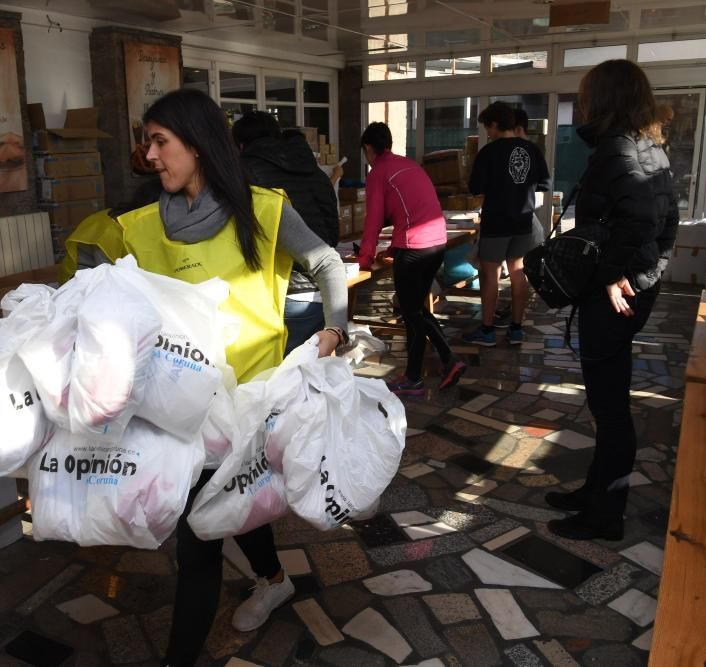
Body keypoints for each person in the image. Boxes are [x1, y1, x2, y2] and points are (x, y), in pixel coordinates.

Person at [68, 88, 348, 666]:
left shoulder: (263, 209)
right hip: (179, 406)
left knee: (202, 533)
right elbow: (94, 275)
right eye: (148, 141)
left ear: (197, 143)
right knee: (227, 504)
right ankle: (273, 577)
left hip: (248, 404)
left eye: (159, 141)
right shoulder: (140, 221)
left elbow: (326, 263)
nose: (149, 154)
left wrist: (335, 328)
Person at [545, 59, 678, 541]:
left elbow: (642, 225)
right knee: (608, 401)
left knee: (610, 406)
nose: (581, 102)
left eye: (586, 94)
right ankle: (596, 491)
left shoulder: (620, 150)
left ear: (603, 98)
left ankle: (604, 515)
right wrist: (647, 276)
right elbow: (667, 229)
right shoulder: (648, 147)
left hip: (616, 296)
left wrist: (613, 278)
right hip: (630, 291)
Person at [357, 121, 466, 395]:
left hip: (415, 248)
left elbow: (373, 220)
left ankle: (420, 375)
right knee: (416, 310)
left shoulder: (378, 173)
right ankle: (440, 365)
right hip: (437, 243)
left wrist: (365, 258)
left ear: (369, 149)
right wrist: (394, 248)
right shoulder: (409, 165)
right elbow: (415, 209)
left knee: (411, 313)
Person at [232, 111, 341, 351]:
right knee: (307, 377)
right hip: (321, 289)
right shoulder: (315, 172)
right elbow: (332, 234)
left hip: (278, 293)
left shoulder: (244, 175)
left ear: (240, 145)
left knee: (274, 382)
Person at [465, 102, 550, 346]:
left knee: (490, 274)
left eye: (487, 127)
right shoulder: (532, 150)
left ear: (495, 124)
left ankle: (488, 330)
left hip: (497, 222)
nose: (487, 132)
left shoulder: (489, 153)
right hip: (524, 222)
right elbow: (543, 183)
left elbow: (475, 188)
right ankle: (516, 328)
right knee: (518, 273)